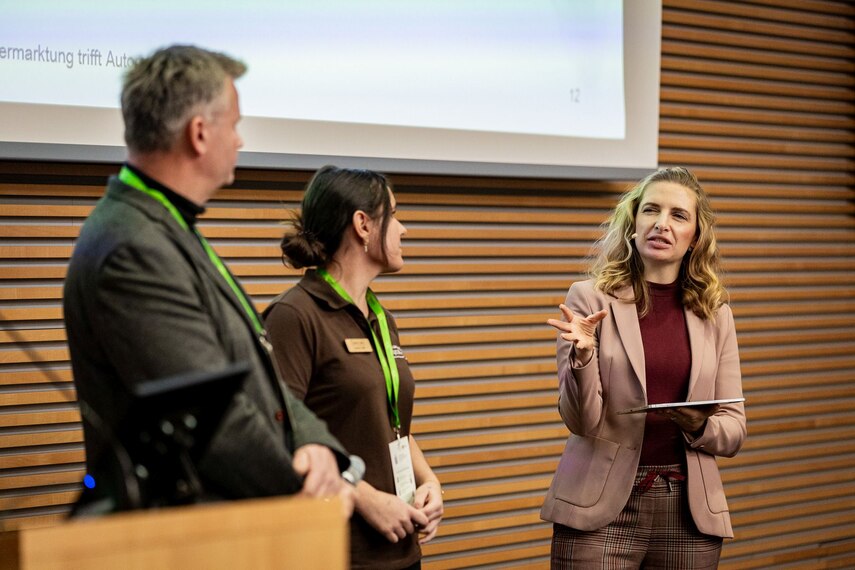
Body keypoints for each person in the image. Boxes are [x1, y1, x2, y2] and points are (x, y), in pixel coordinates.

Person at [63, 45, 353, 511]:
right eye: (234, 125)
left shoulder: (166, 225)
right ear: (199, 133)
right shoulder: (132, 247)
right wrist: (307, 488)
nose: (239, 140)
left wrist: (318, 447)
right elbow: (209, 420)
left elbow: (263, 381)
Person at [540, 167, 747, 568]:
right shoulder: (589, 299)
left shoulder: (715, 313)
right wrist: (581, 357)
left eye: (678, 215)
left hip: (689, 511)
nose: (661, 224)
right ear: (633, 223)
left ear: (695, 238)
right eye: (651, 210)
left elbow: (735, 429)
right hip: (599, 503)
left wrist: (700, 426)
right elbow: (581, 421)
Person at [263, 165, 443, 569]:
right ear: (362, 224)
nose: (403, 230)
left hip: (400, 547)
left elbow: (392, 424)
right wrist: (367, 499)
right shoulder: (294, 315)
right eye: (394, 215)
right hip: (337, 550)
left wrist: (429, 481)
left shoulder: (381, 318)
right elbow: (278, 433)